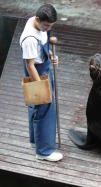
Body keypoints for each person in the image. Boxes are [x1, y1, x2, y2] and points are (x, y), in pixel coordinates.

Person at [19, 4, 62, 162]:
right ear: (38, 19)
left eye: (51, 26)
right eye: (46, 25)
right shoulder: (30, 39)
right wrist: (41, 87)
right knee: (44, 108)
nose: (48, 28)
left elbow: (42, 46)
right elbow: (29, 65)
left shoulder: (37, 23)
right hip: (36, 72)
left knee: (36, 107)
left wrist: (50, 54)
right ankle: (44, 152)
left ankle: (35, 141)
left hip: (43, 67)